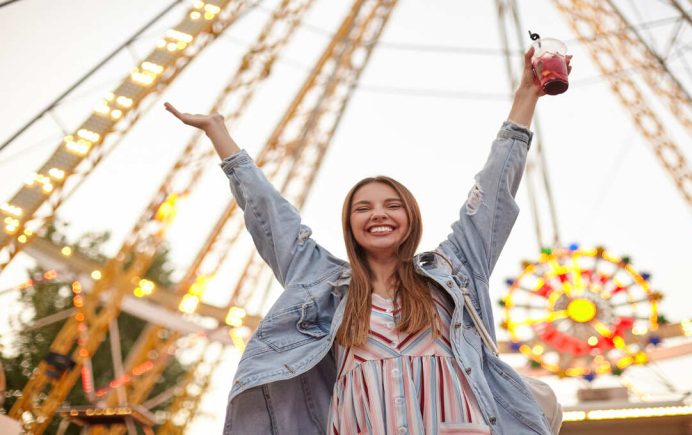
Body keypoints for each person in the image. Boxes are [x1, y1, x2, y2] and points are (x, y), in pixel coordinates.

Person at [166, 46, 569, 435]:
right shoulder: (322, 286)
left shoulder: (455, 269)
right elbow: (271, 217)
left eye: (392, 205)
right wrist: (222, 138)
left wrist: (526, 97)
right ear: (349, 224)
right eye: (363, 208)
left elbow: (494, 192)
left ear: (410, 218)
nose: (378, 213)